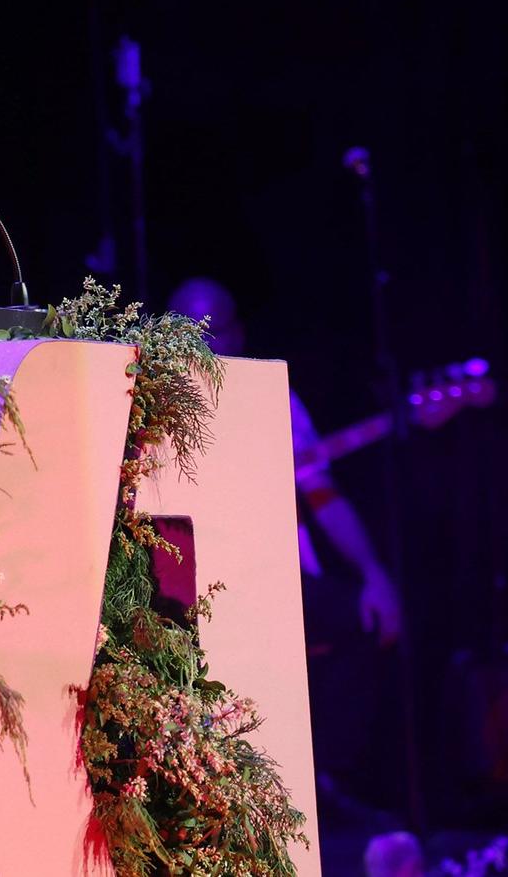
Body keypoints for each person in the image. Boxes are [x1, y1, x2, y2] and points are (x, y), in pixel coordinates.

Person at [168, 277, 403, 812]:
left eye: (216, 329)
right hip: (195, 573)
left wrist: (373, 573)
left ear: (239, 331)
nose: (205, 343)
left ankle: (323, 780)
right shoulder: (160, 398)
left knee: (364, 620)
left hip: (279, 573)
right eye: (191, 331)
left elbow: (322, 492)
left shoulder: (276, 397)